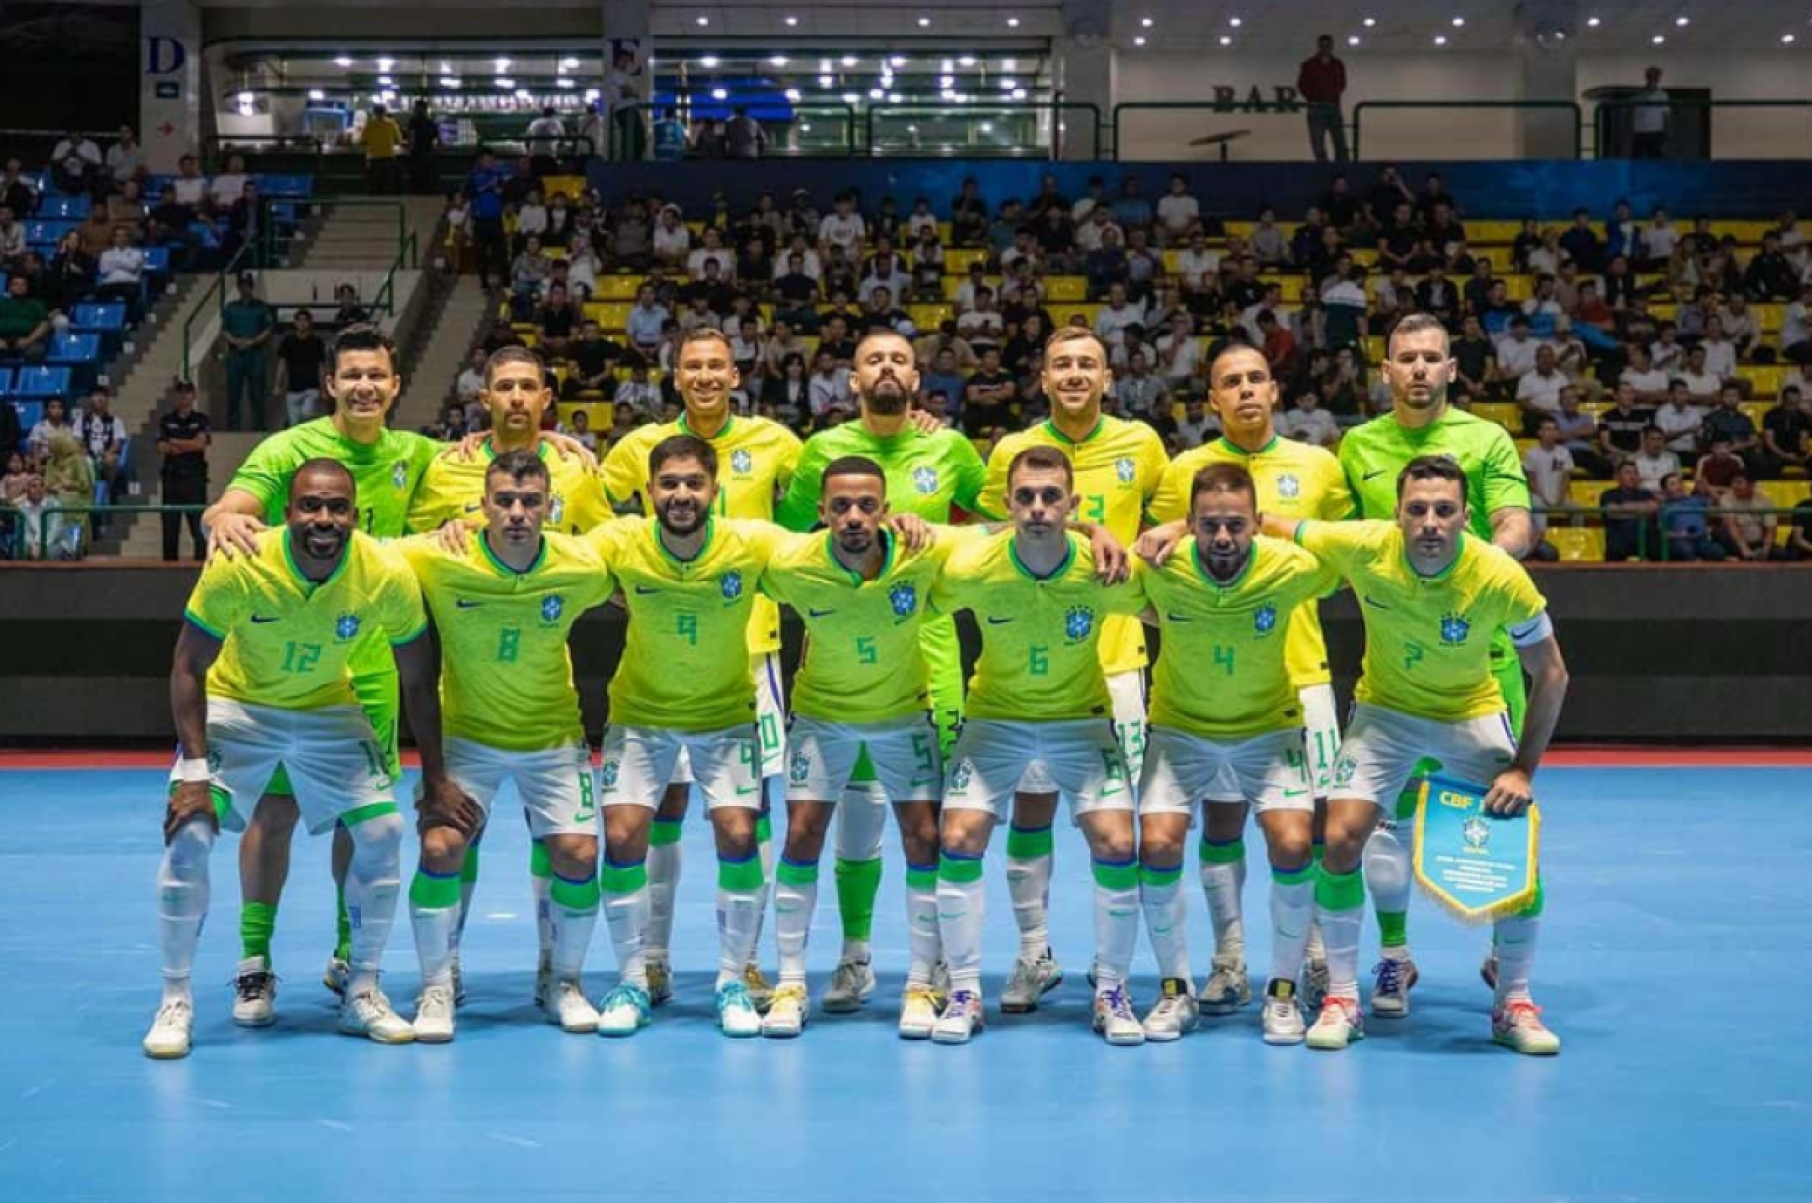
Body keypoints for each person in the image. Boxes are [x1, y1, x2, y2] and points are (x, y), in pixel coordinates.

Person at [142, 459, 468, 1059]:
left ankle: (362, 989)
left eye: (337, 508)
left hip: (326, 708)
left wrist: (438, 780)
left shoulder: (384, 573)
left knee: (384, 828)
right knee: (189, 833)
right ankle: (176, 999)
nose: (324, 519)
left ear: (354, 514)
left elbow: (419, 681)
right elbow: (188, 667)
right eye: (311, 506)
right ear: (288, 512)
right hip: (238, 707)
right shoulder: (242, 561)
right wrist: (192, 770)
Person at [200, 327, 448, 1021]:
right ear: (331, 385)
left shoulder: (416, 454)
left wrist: (559, 443)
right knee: (274, 812)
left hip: (369, 671)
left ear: (396, 386)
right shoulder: (290, 450)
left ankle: (350, 961)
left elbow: (492, 456)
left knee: (362, 821)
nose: (366, 385)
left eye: (378, 375)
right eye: (353, 376)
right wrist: (221, 517)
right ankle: (255, 963)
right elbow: (234, 507)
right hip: (291, 668)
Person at [1289, 455, 1568, 1056]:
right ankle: (1342, 996)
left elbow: (1551, 674)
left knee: (1514, 844)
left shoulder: (1497, 575)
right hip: (1384, 715)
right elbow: (1272, 524)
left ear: (1466, 517)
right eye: (1417, 510)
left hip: (1469, 714)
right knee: (1338, 839)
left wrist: (1522, 768)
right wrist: (1174, 531)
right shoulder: (1364, 546)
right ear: (1397, 515)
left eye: (1445, 510)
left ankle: (1512, 1001)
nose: (1431, 522)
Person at [774, 332, 992, 1010]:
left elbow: (1000, 524)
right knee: (854, 820)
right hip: (843, 662)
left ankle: (943, 974)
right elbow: (788, 539)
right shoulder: (821, 453)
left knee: (934, 828)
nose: (888, 367)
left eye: (900, 358)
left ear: (918, 376)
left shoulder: (950, 448)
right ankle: (855, 957)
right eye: (875, 359)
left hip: (931, 666)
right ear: (852, 379)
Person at [1142, 344, 1354, 1012]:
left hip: (1301, 673)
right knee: (1220, 822)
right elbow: (1163, 559)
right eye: (1230, 381)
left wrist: (1272, 525)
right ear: (1212, 399)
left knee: (1306, 828)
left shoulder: (1318, 463)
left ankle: (1311, 956)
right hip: (1209, 684)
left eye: (1256, 378)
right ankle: (1228, 958)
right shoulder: (1184, 469)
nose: (1245, 390)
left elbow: (1342, 549)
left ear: (1276, 388)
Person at [1334, 313, 1534, 1015]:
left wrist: (1480, 573)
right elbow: (1334, 534)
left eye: (1431, 358)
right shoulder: (1357, 446)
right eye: (1405, 358)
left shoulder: (1486, 439)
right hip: (1393, 667)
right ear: (1385, 371)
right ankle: (1394, 958)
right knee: (1383, 823)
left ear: (1453, 368)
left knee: (1499, 816)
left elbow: (1515, 521)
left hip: (1485, 661)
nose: (1419, 369)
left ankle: (1508, 969)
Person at [599, 330, 802, 1009]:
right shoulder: (638, 446)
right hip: (662, 634)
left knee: (747, 815)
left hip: (749, 645)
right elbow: (588, 505)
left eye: (717, 364)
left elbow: (812, 511)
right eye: (694, 365)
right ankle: (649, 960)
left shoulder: (776, 439)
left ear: (736, 373)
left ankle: (740, 965)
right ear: (675, 374)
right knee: (661, 807)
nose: (706, 375)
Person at [972, 329, 1168, 1014]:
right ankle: (1034, 953)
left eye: (1087, 363)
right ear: (1043, 377)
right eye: (1062, 364)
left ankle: (1113, 975)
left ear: (1107, 376)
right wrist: (1089, 531)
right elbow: (1001, 531)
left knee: (1113, 825)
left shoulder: (1142, 442)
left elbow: (1166, 532)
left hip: (1116, 658)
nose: (1075, 373)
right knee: (1030, 806)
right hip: (1032, 651)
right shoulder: (1009, 450)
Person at [395, 450, 615, 1040]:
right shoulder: (441, 556)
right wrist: (242, 528)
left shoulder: (581, 564)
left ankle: (562, 980)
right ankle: (438, 986)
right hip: (468, 739)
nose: (517, 513)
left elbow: (642, 556)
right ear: (483, 504)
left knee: (578, 855)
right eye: (504, 501)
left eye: (530, 502)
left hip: (553, 738)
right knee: (441, 846)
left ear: (550, 506)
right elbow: (358, 551)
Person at [929, 446, 1145, 1046]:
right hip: (994, 721)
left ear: (1073, 505)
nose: (1038, 507)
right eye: (1025, 496)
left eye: (1052, 497)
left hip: (1081, 721)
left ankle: (1112, 991)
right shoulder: (975, 565)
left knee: (1117, 840)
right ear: (1007, 504)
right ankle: (966, 991)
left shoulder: (1101, 569)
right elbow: (916, 580)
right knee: (958, 837)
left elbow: (1168, 607)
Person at [757, 456, 949, 1038]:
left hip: (903, 714)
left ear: (887, 511)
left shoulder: (923, 553)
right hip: (823, 719)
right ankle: (790, 981)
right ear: (821, 512)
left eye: (867, 505)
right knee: (803, 833)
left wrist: (1092, 530)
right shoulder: (793, 562)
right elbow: (728, 539)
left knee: (924, 836)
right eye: (840, 506)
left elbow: (1003, 531)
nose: (854, 516)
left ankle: (921, 982)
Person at [157, 381, 211, 562]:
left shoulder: (202, 420)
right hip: (171, 479)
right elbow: (162, 447)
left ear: (194, 395)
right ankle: (168, 569)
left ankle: (200, 566)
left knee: (199, 528)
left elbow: (200, 444)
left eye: (188, 392)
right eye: (180, 393)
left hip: (195, 479)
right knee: (170, 528)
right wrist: (188, 444)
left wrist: (176, 442)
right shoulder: (166, 420)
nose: (184, 396)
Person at [221, 274, 277, 432]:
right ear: (238, 288)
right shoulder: (231, 307)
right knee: (233, 391)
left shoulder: (261, 307)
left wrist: (252, 341)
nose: (245, 288)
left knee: (257, 391)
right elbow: (225, 330)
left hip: (255, 354)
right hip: (235, 354)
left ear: (252, 287)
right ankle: (232, 425)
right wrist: (235, 341)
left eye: (248, 285)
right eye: (242, 285)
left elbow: (268, 329)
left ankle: (259, 425)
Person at [1522, 417, 1575, 558]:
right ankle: (1540, 548)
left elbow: (1565, 479)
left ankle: (1574, 542)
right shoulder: (1531, 453)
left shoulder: (1564, 453)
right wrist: (1545, 499)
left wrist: (1559, 499)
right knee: (1538, 515)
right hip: (1538, 496)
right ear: (1540, 432)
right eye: (1547, 429)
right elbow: (1531, 481)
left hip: (1560, 497)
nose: (1551, 432)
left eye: (1554, 429)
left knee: (1577, 511)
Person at [1296, 35, 1350, 164]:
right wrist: (1314, 97)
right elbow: (1302, 85)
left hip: (1333, 106)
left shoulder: (1338, 64)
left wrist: (1332, 95)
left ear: (1332, 47)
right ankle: (1323, 170)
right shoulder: (1308, 65)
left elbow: (1342, 84)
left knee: (1340, 143)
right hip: (1315, 107)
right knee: (1317, 144)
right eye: (1323, 45)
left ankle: (1342, 171)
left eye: (1328, 46)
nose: (1326, 48)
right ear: (1319, 46)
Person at [275, 309, 328, 428]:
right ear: (295, 323)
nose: (302, 323)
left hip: (311, 387)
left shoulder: (317, 342)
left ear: (310, 323)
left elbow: (321, 367)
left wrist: (323, 388)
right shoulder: (288, 341)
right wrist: (278, 384)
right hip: (293, 387)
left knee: (307, 414)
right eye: (299, 320)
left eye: (305, 320)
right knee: (294, 424)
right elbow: (282, 365)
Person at [1600, 460, 1660, 562]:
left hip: (1645, 537)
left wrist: (1623, 508)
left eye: (1635, 473)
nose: (1632, 476)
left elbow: (1653, 507)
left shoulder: (1646, 494)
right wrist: (1641, 511)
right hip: (1620, 537)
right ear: (1618, 476)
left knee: (1660, 546)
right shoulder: (1609, 494)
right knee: (1614, 549)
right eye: (1627, 472)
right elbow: (1612, 512)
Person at [1659, 472, 1725, 561]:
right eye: (1673, 484)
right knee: (1685, 550)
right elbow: (1662, 532)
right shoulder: (1664, 507)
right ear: (1665, 490)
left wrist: (1707, 487)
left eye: (1679, 483)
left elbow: (1716, 502)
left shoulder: (1696, 499)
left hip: (1701, 539)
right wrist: (1679, 535)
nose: (1678, 486)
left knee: (1718, 551)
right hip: (1680, 540)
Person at [360, 104, 404, 194]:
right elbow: (399, 140)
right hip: (389, 158)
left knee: (375, 187)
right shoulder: (392, 123)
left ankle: (375, 206)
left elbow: (363, 141)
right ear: (385, 112)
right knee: (388, 187)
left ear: (374, 113)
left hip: (374, 160)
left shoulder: (369, 124)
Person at [1630, 66, 1670, 159]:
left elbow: (1666, 115)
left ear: (1659, 78)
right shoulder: (1638, 94)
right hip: (1640, 133)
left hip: (1656, 133)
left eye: (1655, 76)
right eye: (1650, 76)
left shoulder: (1662, 95)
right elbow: (1630, 112)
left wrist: (1667, 133)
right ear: (1646, 77)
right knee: (1637, 160)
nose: (1653, 78)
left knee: (1657, 159)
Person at [407, 101, 440, 194]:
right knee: (427, 179)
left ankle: (417, 198)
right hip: (429, 155)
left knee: (417, 179)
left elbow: (412, 137)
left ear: (418, 109)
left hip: (417, 155)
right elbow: (438, 140)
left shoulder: (413, 121)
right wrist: (435, 150)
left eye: (415, 108)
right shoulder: (431, 122)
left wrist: (409, 150)